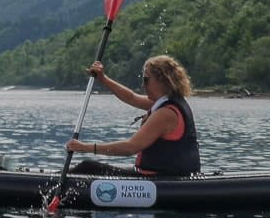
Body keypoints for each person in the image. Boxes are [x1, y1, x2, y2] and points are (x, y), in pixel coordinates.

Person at [65, 54, 200, 176]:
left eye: (146, 80)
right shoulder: (167, 102)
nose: (142, 85)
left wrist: (85, 147)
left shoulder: (166, 113)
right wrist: (103, 79)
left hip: (160, 180)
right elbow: (131, 97)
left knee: (88, 167)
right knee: (87, 168)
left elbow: (130, 147)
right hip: (159, 175)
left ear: (163, 80)